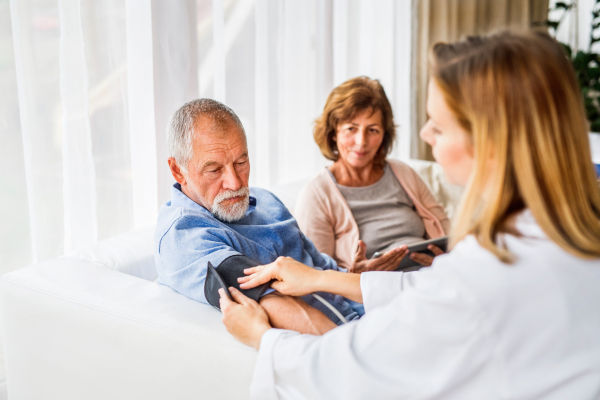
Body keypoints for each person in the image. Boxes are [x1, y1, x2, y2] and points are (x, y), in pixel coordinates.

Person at [220, 31, 600, 399]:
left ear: (490, 141)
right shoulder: (559, 235)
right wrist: (325, 278)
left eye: (438, 124)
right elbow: (429, 292)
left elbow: (343, 374)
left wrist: (261, 337)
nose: (425, 132)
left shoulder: (482, 280)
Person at [154, 99, 406, 334]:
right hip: (347, 338)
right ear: (178, 170)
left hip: (380, 315)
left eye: (241, 162)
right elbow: (271, 302)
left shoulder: (266, 201)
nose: (234, 182)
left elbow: (318, 266)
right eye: (214, 169)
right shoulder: (185, 236)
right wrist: (358, 354)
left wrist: (351, 275)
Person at [295, 76, 450, 273]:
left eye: (373, 130)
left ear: (385, 134)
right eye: (351, 129)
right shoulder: (316, 193)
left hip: (432, 276)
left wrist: (444, 260)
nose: (361, 141)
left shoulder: (402, 172)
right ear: (333, 132)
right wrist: (356, 275)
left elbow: (449, 234)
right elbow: (315, 273)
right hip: (370, 291)